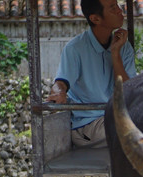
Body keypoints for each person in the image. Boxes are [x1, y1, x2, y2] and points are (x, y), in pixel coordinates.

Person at [48, 0, 136, 148]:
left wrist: (115, 54)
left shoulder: (123, 47)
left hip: (115, 118)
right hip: (88, 126)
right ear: (95, 18)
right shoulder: (75, 49)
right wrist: (58, 92)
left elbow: (127, 90)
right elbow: (61, 83)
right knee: (140, 128)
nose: (120, 11)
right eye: (113, 8)